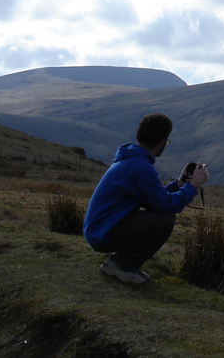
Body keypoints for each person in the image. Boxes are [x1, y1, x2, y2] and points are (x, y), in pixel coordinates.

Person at [83, 112, 209, 285]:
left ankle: (124, 264)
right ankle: (120, 265)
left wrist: (179, 183)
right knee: (164, 220)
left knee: (161, 216)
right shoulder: (140, 166)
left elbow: (155, 198)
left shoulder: (131, 160)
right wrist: (193, 185)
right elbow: (165, 205)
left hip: (100, 228)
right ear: (162, 141)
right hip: (104, 233)